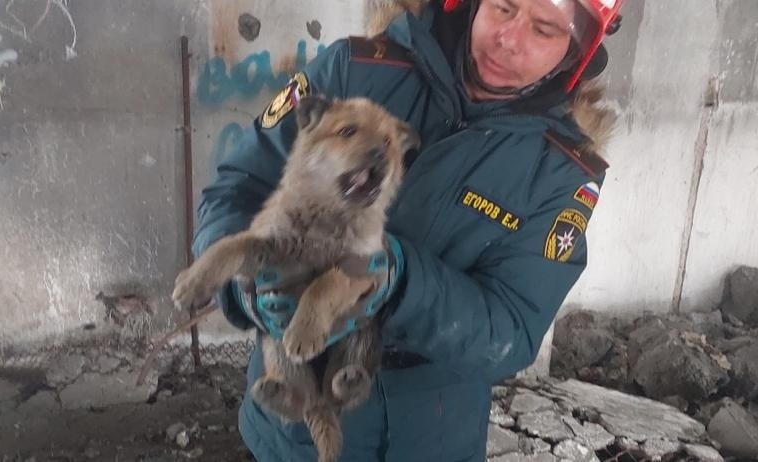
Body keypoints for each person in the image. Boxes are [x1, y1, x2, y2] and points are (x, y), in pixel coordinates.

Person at [190, 0, 625, 459]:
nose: (509, 39)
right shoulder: (356, 71)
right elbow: (239, 186)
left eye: (543, 30)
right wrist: (243, 286)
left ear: (575, 52)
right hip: (292, 428)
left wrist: (400, 283)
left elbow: (511, 328)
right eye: (502, 7)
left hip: (433, 432)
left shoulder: (560, 169)